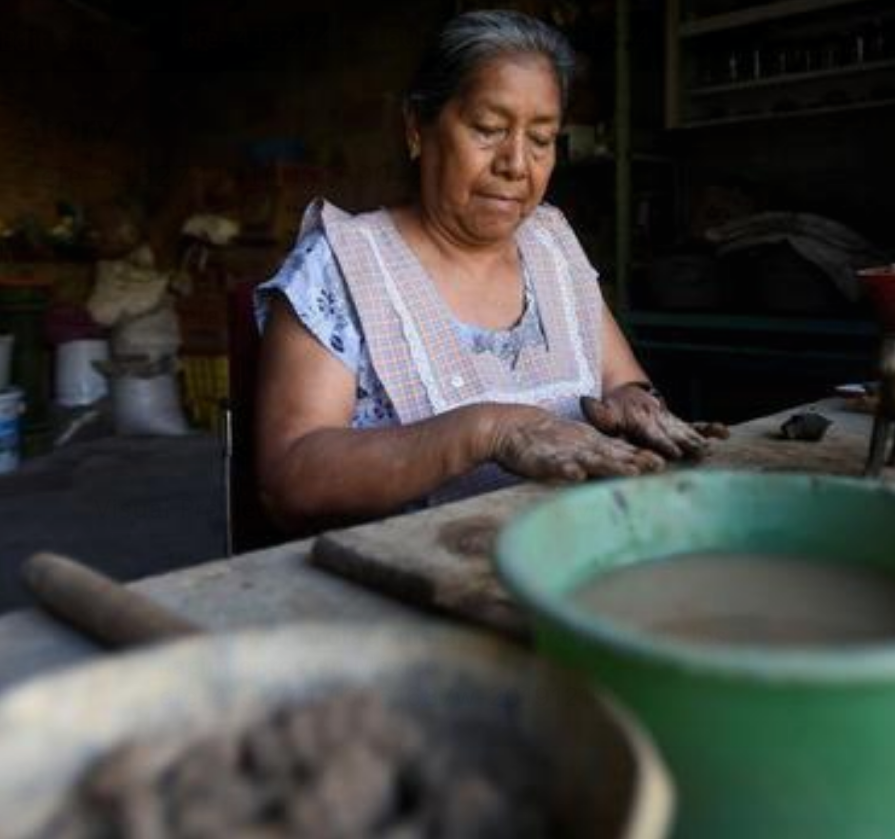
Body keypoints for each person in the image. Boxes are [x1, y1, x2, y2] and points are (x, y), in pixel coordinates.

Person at [255, 10, 725, 534]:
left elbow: (624, 380)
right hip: (411, 577)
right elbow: (288, 480)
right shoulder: (340, 266)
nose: (517, 164)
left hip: (576, 550)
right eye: (488, 130)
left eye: (542, 139)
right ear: (417, 127)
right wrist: (487, 430)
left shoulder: (552, 245)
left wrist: (637, 404)